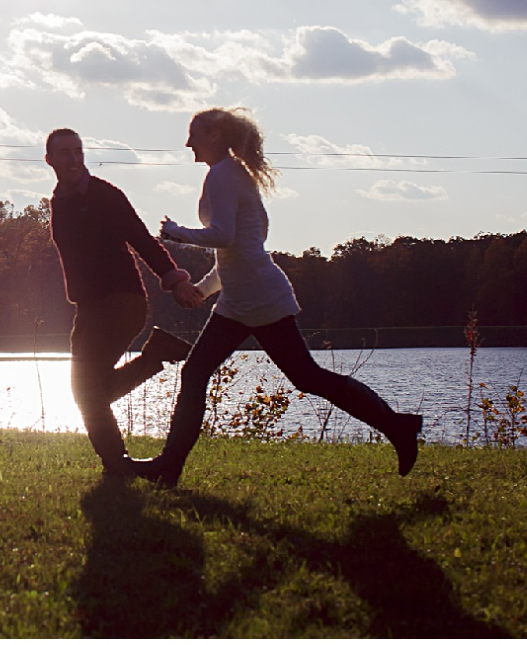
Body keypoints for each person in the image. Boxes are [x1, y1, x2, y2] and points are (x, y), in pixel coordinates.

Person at [138, 107, 423, 487]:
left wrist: (177, 233)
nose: (188, 142)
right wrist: (205, 291)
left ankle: (398, 427)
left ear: (215, 136)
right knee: (201, 373)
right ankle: (168, 469)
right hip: (241, 299)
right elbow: (236, 251)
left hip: (259, 298)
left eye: (194, 134)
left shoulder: (225, 175)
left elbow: (224, 236)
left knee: (305, 377)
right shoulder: (228, 174)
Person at [44, 127, 196, 477]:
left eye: (78, 150)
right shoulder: (60, 202)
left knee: (85, 390)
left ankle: (117, 464)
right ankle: (155, 356)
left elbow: (142, 239)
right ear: (49, 159)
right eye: (64, 152)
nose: (73, 157)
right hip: (89, 308)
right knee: (87, 391)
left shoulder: (105, 195)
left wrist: (174, 281)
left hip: (121, 302)